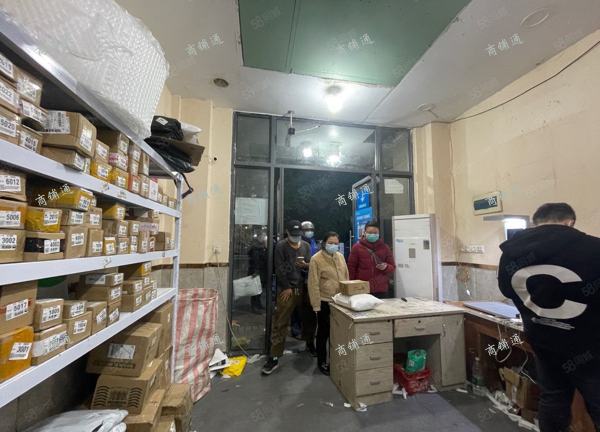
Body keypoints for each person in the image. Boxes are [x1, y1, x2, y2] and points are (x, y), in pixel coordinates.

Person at [497, 203, 600, 432]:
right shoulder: (594, 248)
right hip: (588, 344)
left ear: (535, 223)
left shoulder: (511, 251)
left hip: (542, 338)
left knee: (553, 397)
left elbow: (507, 289)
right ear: (570, 222)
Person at [263, 220, 317, 374]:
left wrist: (305, 266)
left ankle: (309, 343)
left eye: (298, 234)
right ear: (287, 232)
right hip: (287, 290)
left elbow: (309, 264)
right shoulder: (281, 246)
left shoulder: (306, 246)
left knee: (309, 318)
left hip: (303, 288)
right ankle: (274, 356)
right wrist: (286, 287)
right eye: (293, 234)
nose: (296, 237)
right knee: (280, 322)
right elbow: (279, 268)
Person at [308, 231, 349, 375]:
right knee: (323, 332)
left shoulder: (340, 256)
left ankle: (336, 359)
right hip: (325, 301)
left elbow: (346, 276)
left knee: (338, 332)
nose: (333, 245)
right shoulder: (316, 259)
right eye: (330, 243)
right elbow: (313, 283)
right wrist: (316, 305)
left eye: (336, 243)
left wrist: (347, 296)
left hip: (340, 301)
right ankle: (322, 361)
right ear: (324, 243)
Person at [347, 220, 395, 299]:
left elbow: (392, 268)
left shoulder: (385, 248)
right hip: (362, 288)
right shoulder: (357, 247)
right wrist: (352, 285)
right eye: (370, 232)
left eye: (375, 233)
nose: (372, 234)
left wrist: (386, 267)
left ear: (379, 233)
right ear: (364, 233)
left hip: (381, 289)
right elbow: (351, 268)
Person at [247, 232, 267, 314]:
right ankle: (254, 307)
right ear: (259, 236)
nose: (264, 237)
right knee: (255, 290)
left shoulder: (260, 246)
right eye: (263, 236)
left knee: (259, 289)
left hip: (260, 270)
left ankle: (258, 304)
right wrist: (255, 271)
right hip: (257, 271)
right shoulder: (256, 246)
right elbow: (255, 260)